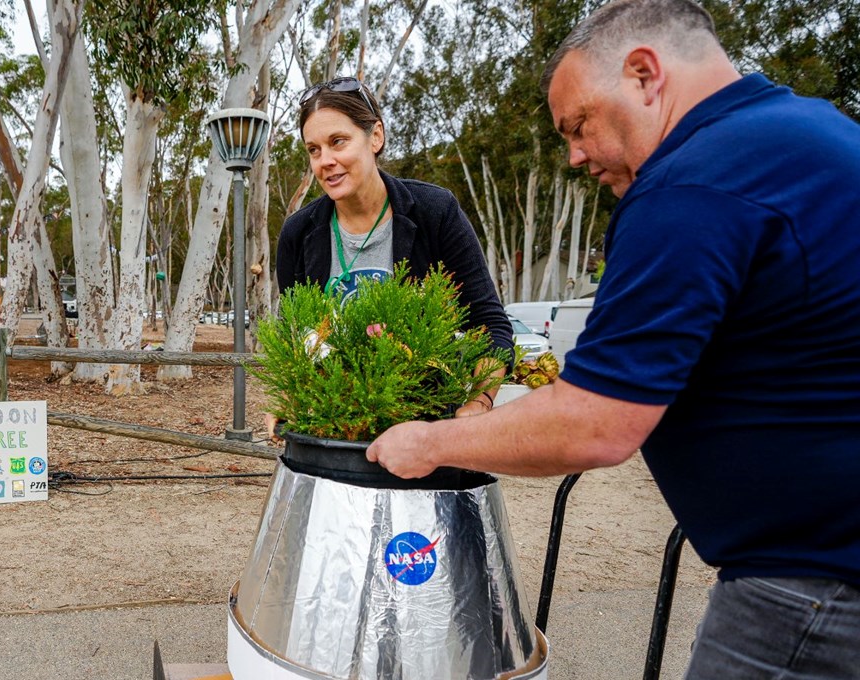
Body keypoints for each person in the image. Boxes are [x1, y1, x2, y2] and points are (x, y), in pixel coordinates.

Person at [365, 1, 860, 677]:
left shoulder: (692, 182)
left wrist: (429, 443)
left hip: (813, 586)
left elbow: (595, 421)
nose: (574, 155)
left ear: (644, 74)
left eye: (579, 126)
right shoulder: (813, 133)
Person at [277, 75, 514, 420]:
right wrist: (289, 402)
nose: (324, 160)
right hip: (333, 427)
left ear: (376, 136)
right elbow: (292, 335)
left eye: (338, 142)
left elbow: (490, 326)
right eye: (314, 150)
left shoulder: (435, 212)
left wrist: (478, 403)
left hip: (425, 426)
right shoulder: (298, 232)